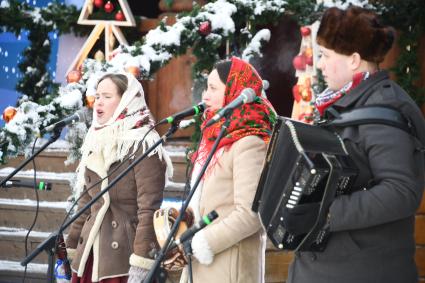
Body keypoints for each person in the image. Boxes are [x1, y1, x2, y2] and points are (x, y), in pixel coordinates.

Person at [283, 6, 425, 283]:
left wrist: (324, 213)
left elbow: (401, 191)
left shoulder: (384, 108)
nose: (320, 64)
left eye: (325, 55)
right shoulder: (347, 103)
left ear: (354, 60)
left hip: (362, 271)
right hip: (330, 268)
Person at [65, 73, 173, 283]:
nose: (99, 102)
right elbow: (88, 201)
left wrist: (141, 263)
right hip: (90, 255)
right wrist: (71, 244)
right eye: (97, 96)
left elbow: (149, 209)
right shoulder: (95, 138)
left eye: (107, 96)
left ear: (126, 100)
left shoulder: (144, 143)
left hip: (124, 259)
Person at [183, 56, 276, 283]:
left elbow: (251, 214)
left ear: (235, 91)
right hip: (201, 265)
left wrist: (204, 242)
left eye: (213, 88)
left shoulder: (249, 142)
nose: (205, 95)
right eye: (206, 87)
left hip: (228, 269)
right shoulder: (215, 138)